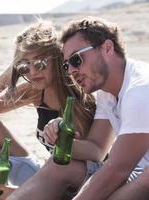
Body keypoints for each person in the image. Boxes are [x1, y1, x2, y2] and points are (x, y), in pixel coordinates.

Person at [0, 20, 108, 200]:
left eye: (40, 64)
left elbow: (87, 160)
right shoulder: (36, 91)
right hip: (48, 172)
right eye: (25, 66)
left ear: (57, 59)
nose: (32, 72)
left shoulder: (79, 97)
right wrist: (10, 72)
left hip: (79, 181)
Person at [58, 16, 149, 200]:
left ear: (107, 48)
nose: (71, 71)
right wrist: (58, 140)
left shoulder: (140, 89)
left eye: (76, 59)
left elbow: (117, 169)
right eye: (66, 65)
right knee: (60, 166)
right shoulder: (106, 93)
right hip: (140, 171)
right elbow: (97, 148)